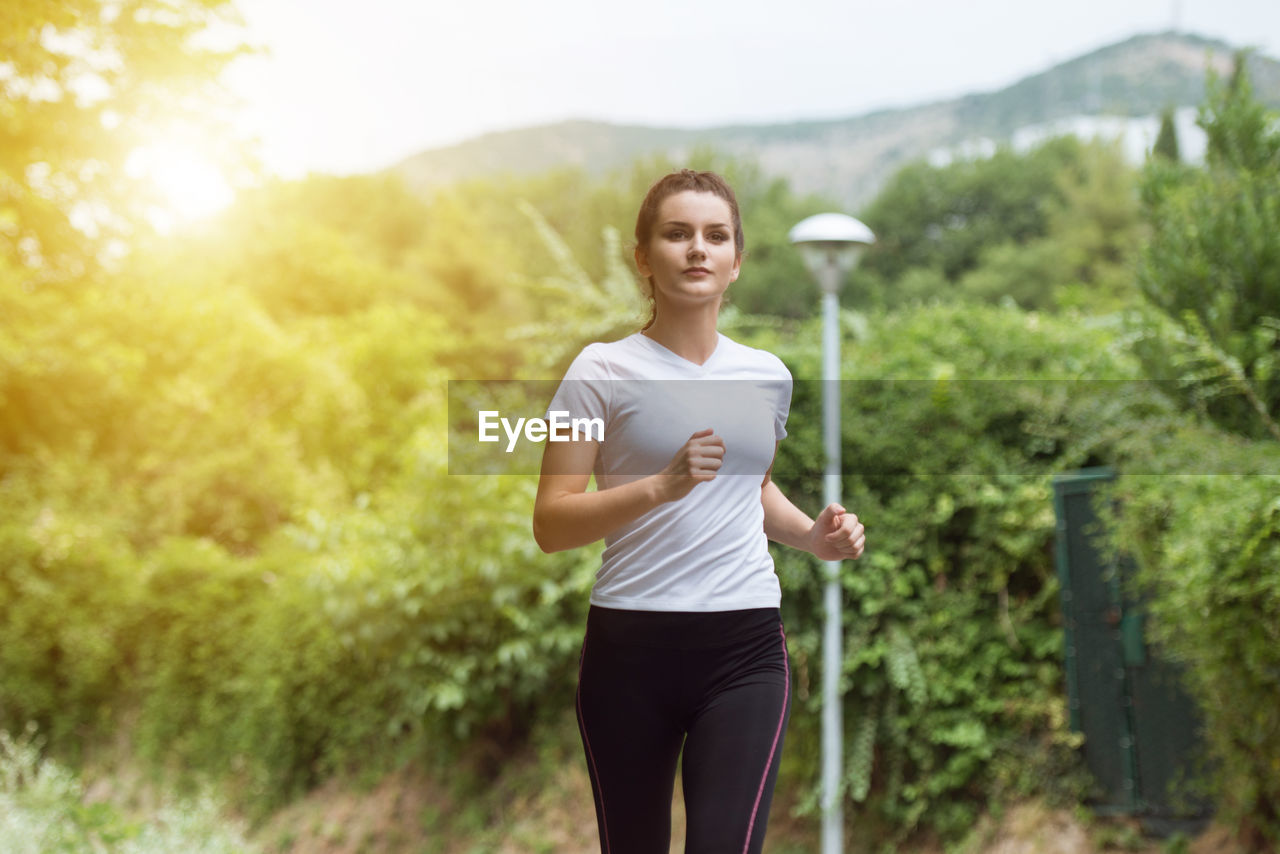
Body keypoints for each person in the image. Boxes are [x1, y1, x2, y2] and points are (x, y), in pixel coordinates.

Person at [533, 169, 865, 854]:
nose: (697, 249)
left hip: (742, 647)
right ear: (643, 257)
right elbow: (552, 521)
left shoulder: (767, 376)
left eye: (716, 237)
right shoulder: (600, 372)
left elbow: (753, 490)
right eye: (676, 233)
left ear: (736, 262)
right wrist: (658, 486)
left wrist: (812, 536)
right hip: (629, 651)